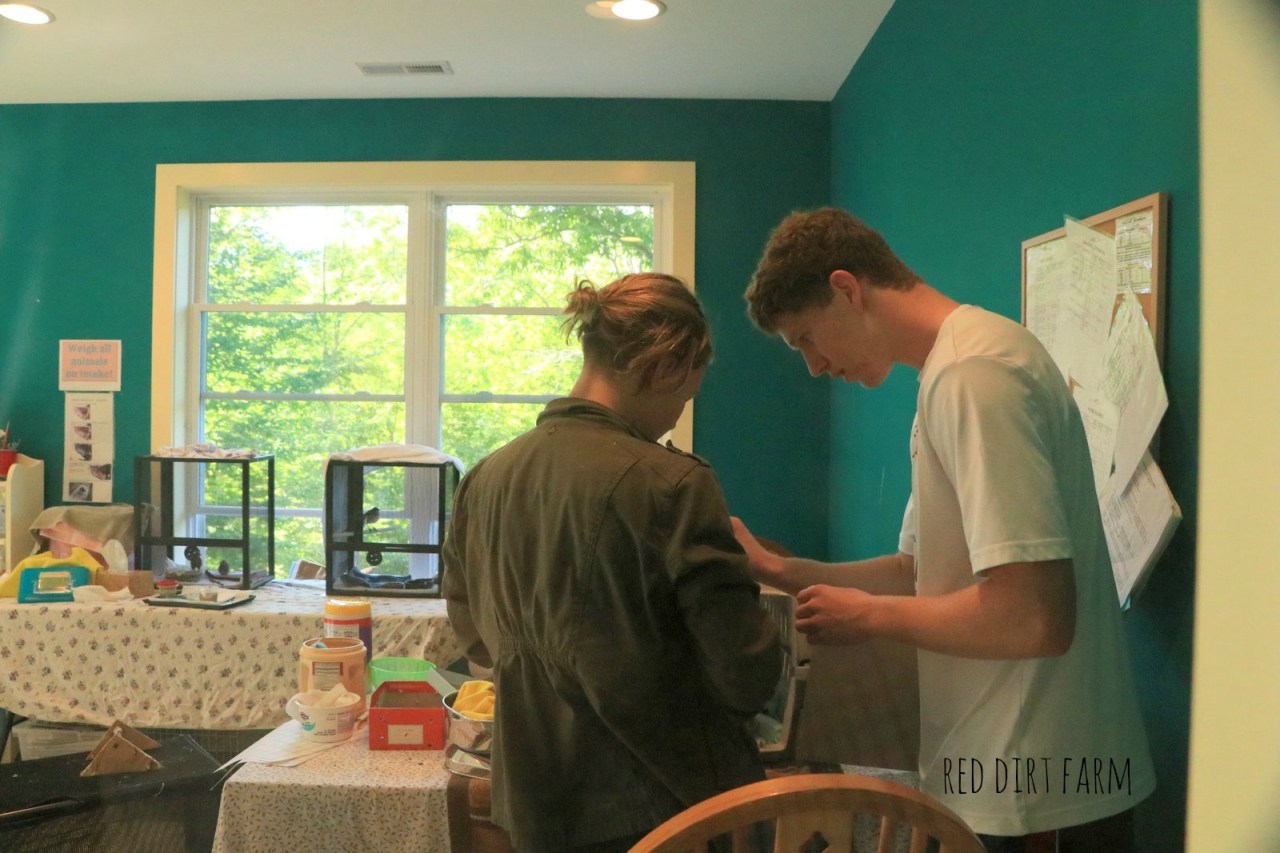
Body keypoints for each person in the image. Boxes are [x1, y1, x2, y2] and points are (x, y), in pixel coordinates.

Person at [734, 208, 1155, 851]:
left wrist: (867, 617)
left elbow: (1034, 618)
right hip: (1000, 773)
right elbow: (915, 570)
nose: (814, 366)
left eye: (806, 339)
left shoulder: (974, 375)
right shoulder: (949, 371)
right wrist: (779, 570)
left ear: (847, 289)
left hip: (1038, 787)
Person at [442, 272, 783, 853]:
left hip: (534, 803)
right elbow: (743, 672)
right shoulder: (673, 484)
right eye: (684, 396)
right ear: (665, 367)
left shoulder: (485, 478)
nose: (675, 416)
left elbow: (474, 635)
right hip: (669, 807)